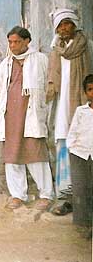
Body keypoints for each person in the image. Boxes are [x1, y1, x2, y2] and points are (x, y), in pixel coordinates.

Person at [0, 26, 54, 210]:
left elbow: (48, 87)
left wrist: (45, 111)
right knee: (12, 155)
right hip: (10, 115)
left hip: (31, 114)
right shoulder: (5, 64)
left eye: (16, 42)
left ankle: (46, 194)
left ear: (27, 41)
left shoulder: (40, 60)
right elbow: (1, 91)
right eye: (10, 42)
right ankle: (17, 195)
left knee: (35, 153)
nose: (12, 46)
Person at [46, 9, 93, 214]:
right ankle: (66, 196)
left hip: (82, 104)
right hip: (61, 105)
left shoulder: (86, 46)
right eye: (60, 25)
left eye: (67, 24)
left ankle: (83, 198)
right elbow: (51, 78)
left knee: (84, 145)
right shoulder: (56, 49)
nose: (63, 28)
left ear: (74, 25)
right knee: (63, 143)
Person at [66, 74, 93, 229]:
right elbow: (73, 131)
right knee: (81, 188)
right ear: (85, 93)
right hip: (79, 155)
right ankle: (83, 224)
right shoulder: (81, 111)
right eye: (90, 90)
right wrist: (72, 148)